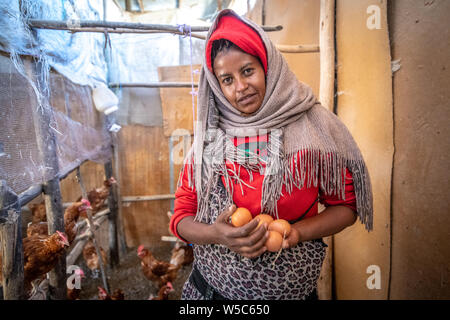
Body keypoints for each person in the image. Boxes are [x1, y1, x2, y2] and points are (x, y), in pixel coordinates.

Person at [169, 9, 373, 300]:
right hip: (213, 293)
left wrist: (298, 233)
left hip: (290, 291)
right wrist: (217, 234)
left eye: (248, 70)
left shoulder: (312, 127)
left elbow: (346, 208)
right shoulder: (210, 137)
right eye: (227, 79)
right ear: (217, 85)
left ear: (267, 65)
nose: (240, 87)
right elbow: (181, 217)